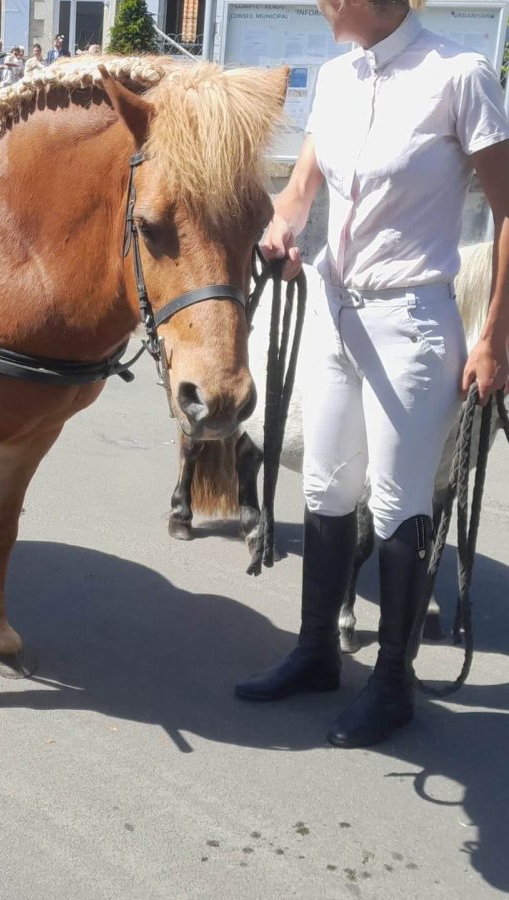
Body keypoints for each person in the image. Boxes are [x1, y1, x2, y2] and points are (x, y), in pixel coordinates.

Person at [235, 0, 509, 748]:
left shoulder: (460, 75)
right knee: (326, 487)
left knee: (396, 503)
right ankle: (317, 650)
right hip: (334, 309)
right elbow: (301, 189)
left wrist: (496, 337)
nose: (319, 3)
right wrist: (283, 226)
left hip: (412, 321)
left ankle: (393, 680)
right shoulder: (336, 77)